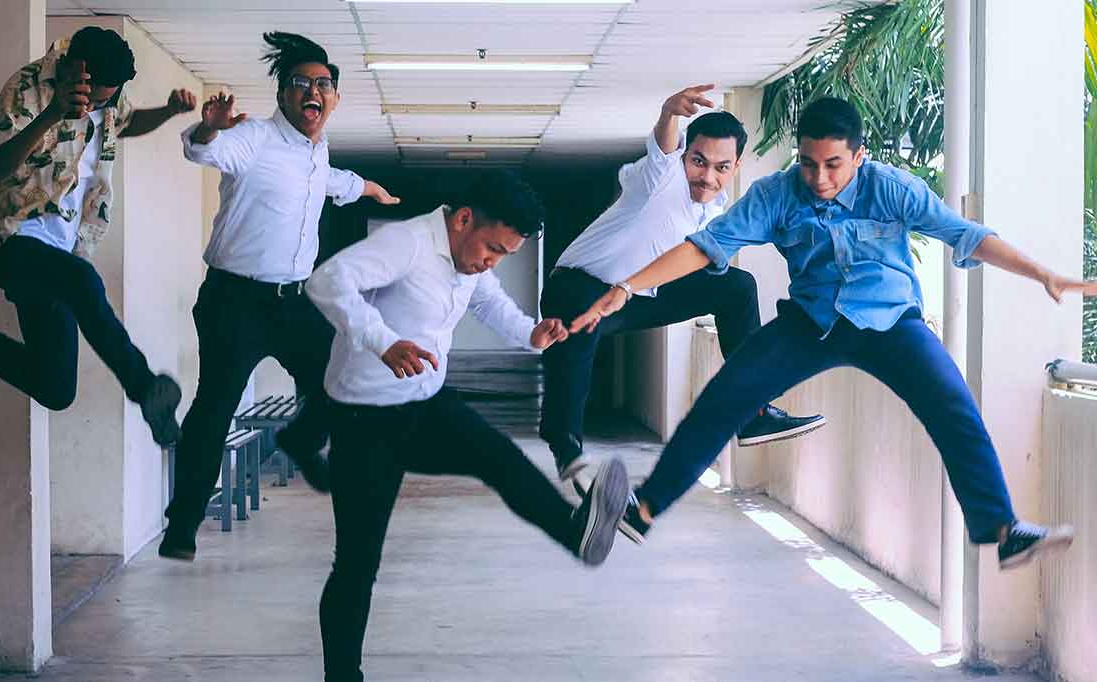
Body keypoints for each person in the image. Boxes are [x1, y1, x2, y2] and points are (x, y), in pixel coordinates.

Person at [572, 97, 1087, 569]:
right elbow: (708, 243)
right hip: (811, 323)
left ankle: (1002, 529)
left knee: (954, 407)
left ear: (858, 155)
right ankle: (643, 509)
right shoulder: (776, 194)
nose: (818, 177)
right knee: (725, 398)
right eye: (808, 162)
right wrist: (628, 285)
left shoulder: (893, 188)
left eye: (833, 164)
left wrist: (1042, 273)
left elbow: (966, 236)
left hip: (891, 324)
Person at [308, 171, 630, 682]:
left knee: (500, 458)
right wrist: (381, 340)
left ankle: (578, 534)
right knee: (356, 565)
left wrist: (531, 333)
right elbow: (325, 281)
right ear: (462, 220)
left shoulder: (470, 259)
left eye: (504, 255)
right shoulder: (407, 243)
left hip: (426, 404)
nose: (492, 262)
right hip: (363, 420)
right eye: (493, 249)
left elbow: (490, 301)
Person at [158, 32, 399, 561]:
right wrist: (207, 127)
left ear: (334, 98)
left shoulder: (317, 152)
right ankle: (182, 526)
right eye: (300, 84)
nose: (313, 92)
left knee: (336, 384)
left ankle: (303, 443)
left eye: (323, 85)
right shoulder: (254, 140)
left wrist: (370, 189)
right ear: (282, 95)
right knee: (215, 407)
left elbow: (329, 181)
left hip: (292, 304)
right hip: (234, 302)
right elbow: (202, 148)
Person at [0, 26, 196, 445]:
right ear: (76, 67)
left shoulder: (106, 100)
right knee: (82, 281)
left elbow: (124, 124)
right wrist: (54, 113)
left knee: (56, 389)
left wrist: (166, 111)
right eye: (95, 94)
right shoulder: (25, 88)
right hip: (12, 240)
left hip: (60, 254)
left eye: (107, 97)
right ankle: (145, 387)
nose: (99, 104)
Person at [540, 85, 824, 486]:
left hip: (635, 297)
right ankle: (565, 443)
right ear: (684, 156)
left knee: (737, 287)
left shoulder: (714, 212)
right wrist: (668, 114)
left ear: (736, 166)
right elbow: (662, 151)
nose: (707, 176)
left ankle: (753, 413)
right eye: (698, 162)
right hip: (576, 287)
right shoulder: (661, 177)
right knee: (582, 323)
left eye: (721, 168)